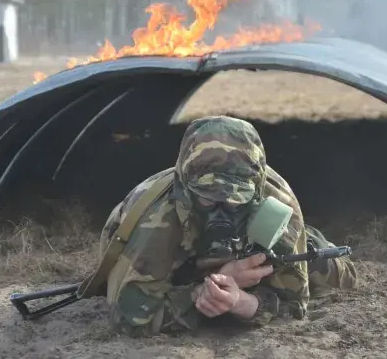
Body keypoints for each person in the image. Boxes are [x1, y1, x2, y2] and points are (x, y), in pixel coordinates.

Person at [83, 115, 357, 337]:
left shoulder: (279, 207)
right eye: (207, 200)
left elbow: (295, 306)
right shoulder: (158, 221)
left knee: (336, 275)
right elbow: (130, 320)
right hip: (175, 250)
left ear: (256, 192)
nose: (221, 213)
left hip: (248, 246)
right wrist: (203, 294)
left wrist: (241, 302)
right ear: (185, 189)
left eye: (235, 202)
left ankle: (312, 243)